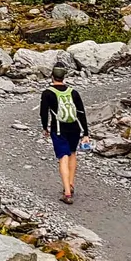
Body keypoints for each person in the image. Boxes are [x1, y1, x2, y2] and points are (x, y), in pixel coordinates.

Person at [40, 63, 89, 204]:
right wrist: (86, 133)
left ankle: (67, 193)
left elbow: (43, 113)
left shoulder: (47, 93)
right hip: (75, 128)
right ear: (64, 77)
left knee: (63, 157)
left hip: (59, 129)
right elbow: (81, 112)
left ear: (52, 76)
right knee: (72, 153)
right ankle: (71, 184)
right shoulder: (73, 92)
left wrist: (45, 128)